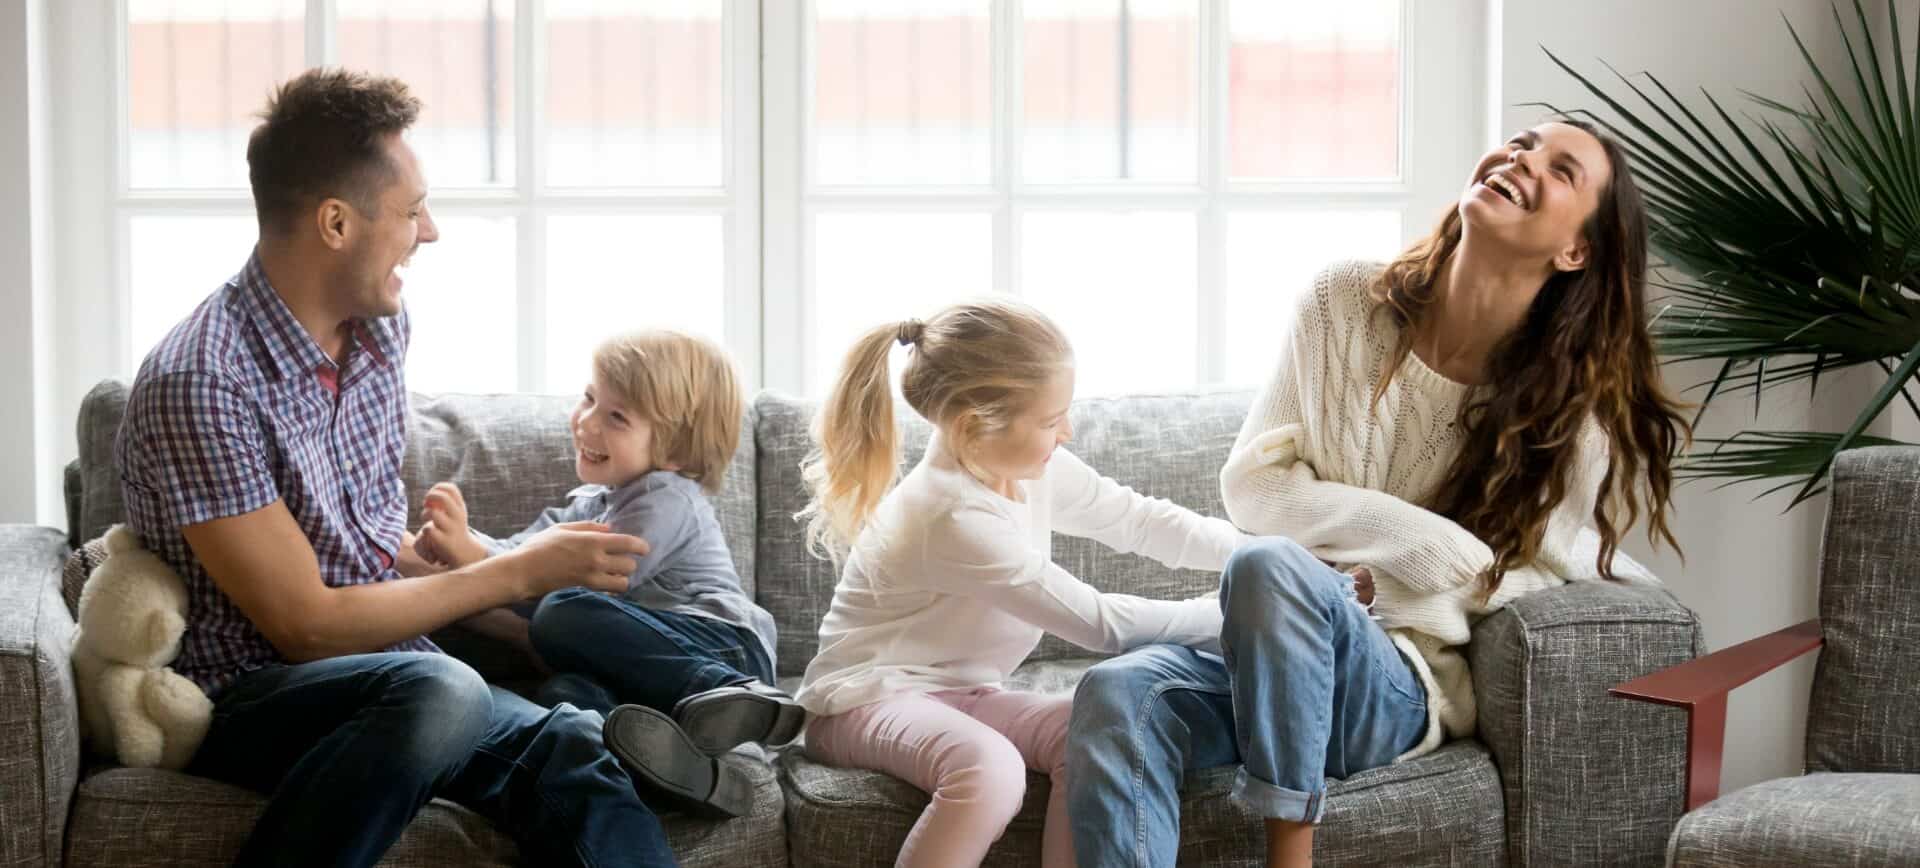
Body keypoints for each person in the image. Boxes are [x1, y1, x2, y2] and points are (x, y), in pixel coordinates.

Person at [114, 68, 707, 868]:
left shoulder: (377, 332)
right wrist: (520, 571)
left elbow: (352, 539)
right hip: (248, 691)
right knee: (445, 689)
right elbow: (305, 626)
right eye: (410, 210)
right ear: (335, 222)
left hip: (397, 673)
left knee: (572, 746)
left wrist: (463, 570)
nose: (429, 232)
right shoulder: (202, 381)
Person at [1063, 119, 1688, 868]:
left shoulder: (1572, 413)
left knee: (1269, 566)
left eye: (1561, 170)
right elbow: (1253, 487)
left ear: (1575, 251)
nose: (1521, 159)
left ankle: (1290, 854)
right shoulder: (1343, 303)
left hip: (1395, 688)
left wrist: (1388, 583)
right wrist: (1414, 538)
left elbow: (1543, 570)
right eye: (1523, 142)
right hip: (1268, 665)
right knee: (1118, 693)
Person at [793, 299, 1249, 867]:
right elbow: (1099, 624)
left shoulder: (1029, 469)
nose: (1067, 431)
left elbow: (1137, 521)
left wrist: (1261, 554)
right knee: (989, 770)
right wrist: (1236, 616)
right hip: (862, 700)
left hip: (964, 692)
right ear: (973, 427)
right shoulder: (952, 514)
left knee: (1094, 737)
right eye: (1050, 421)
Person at [414, 328, 801, 819]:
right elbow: (519, 556)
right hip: (649, 681)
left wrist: (469, 554)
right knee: (565, 700)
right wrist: (457, 545)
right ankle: (686, 776)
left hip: (721, 649)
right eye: (589, 397)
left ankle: (734, 694)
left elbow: (562, 582)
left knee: (562, 613)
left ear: (677, 452)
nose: (587, 421)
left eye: (616, 416)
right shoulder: (588, 505)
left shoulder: (665, 498)